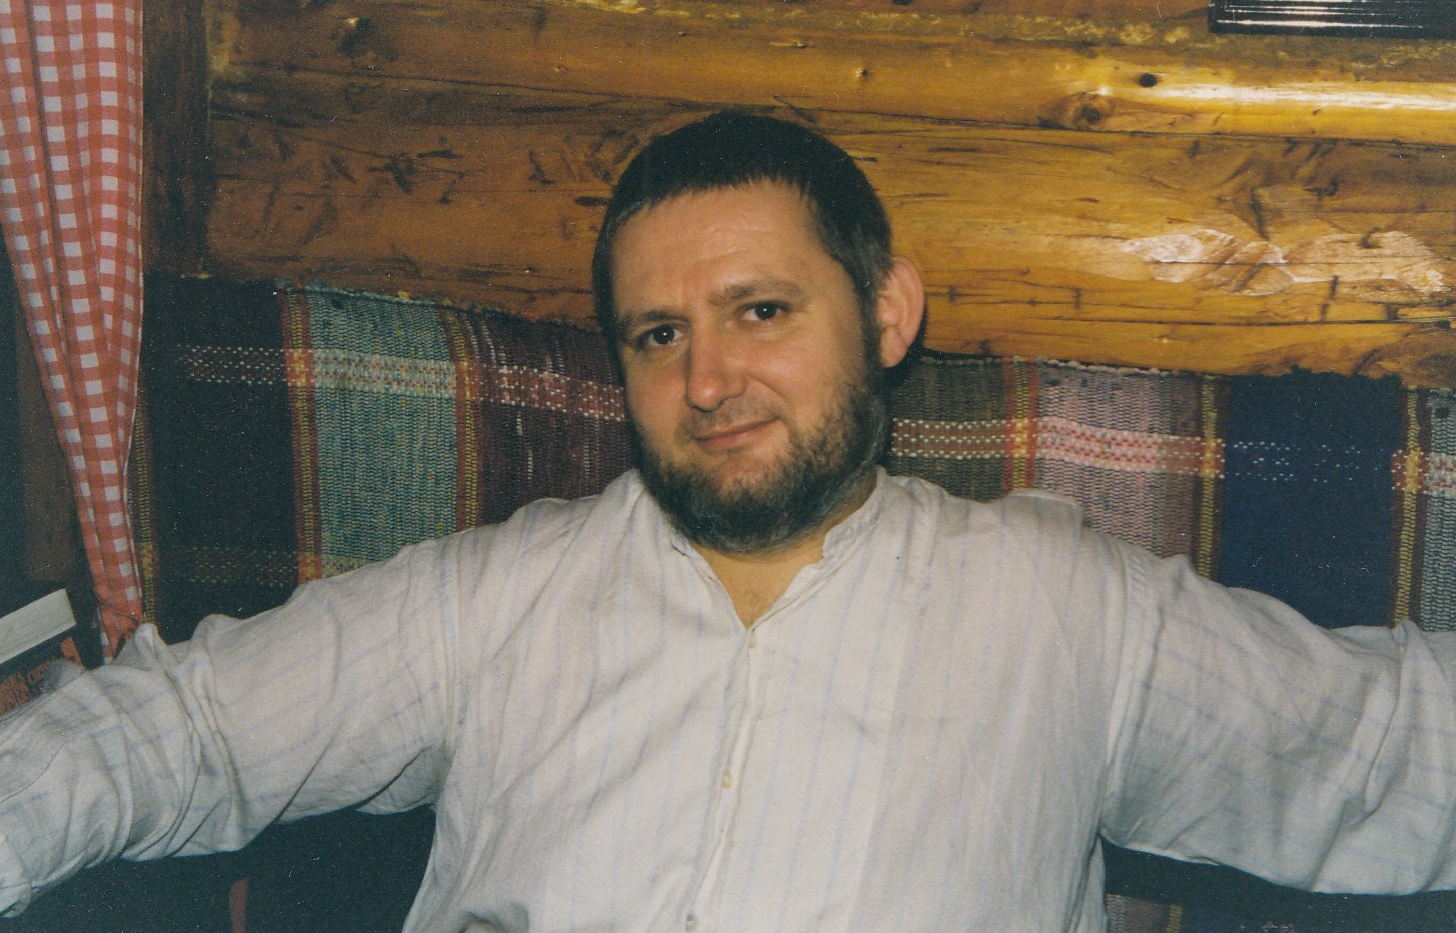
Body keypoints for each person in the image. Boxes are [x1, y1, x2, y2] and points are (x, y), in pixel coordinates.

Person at [4, 111, 1456, 931]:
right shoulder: (496, 599)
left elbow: (1396, 751)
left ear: (887, 312)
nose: (708, 382)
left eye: (761, 312)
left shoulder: (1064, 612)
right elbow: (183, 728)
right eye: (658, 335)